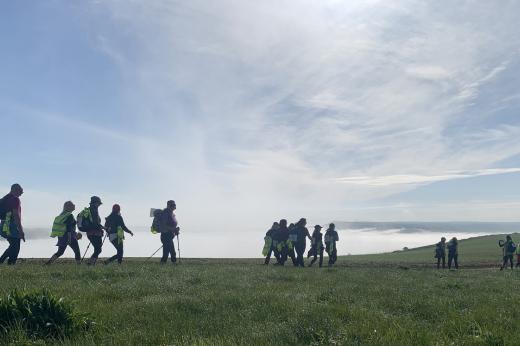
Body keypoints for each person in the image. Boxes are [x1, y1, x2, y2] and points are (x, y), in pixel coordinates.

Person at [0, 184, 25, 265]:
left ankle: (4, 262)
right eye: (21, 192)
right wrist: (21, 230)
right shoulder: (15, 199)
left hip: (4, 224)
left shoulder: (3, 199)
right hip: (12, 225)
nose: (21, 194)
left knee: (13, 245)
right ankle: (11, 264)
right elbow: (16, 215)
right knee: (16, 246)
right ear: (15, 190)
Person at [78, 196, 105, 266]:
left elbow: (94, 223)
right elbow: (96, 224)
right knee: (98, 250)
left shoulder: (89, 210)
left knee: (97, 249)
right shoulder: (94, 211)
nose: (99, 205)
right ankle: (90, 264)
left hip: (90, 233)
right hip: (95, 233)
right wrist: (105, 228)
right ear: (95, 203)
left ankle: (90, 263)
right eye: (98, 203)